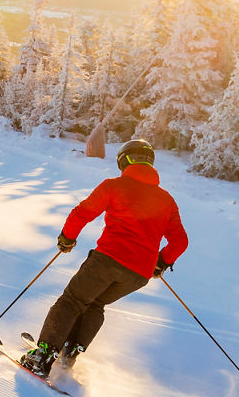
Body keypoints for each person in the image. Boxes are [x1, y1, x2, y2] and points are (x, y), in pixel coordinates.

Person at [19, 139, 188, 377]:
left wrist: (67, 238)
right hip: (138, 275)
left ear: (124, 161)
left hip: (107, 260)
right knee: (95, 304)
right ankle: (68, 356)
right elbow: (180, 242)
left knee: (71, 301)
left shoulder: (114, 186)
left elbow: (82, 213)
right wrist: (161, 262)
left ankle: (43, 356)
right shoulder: (167, 200)